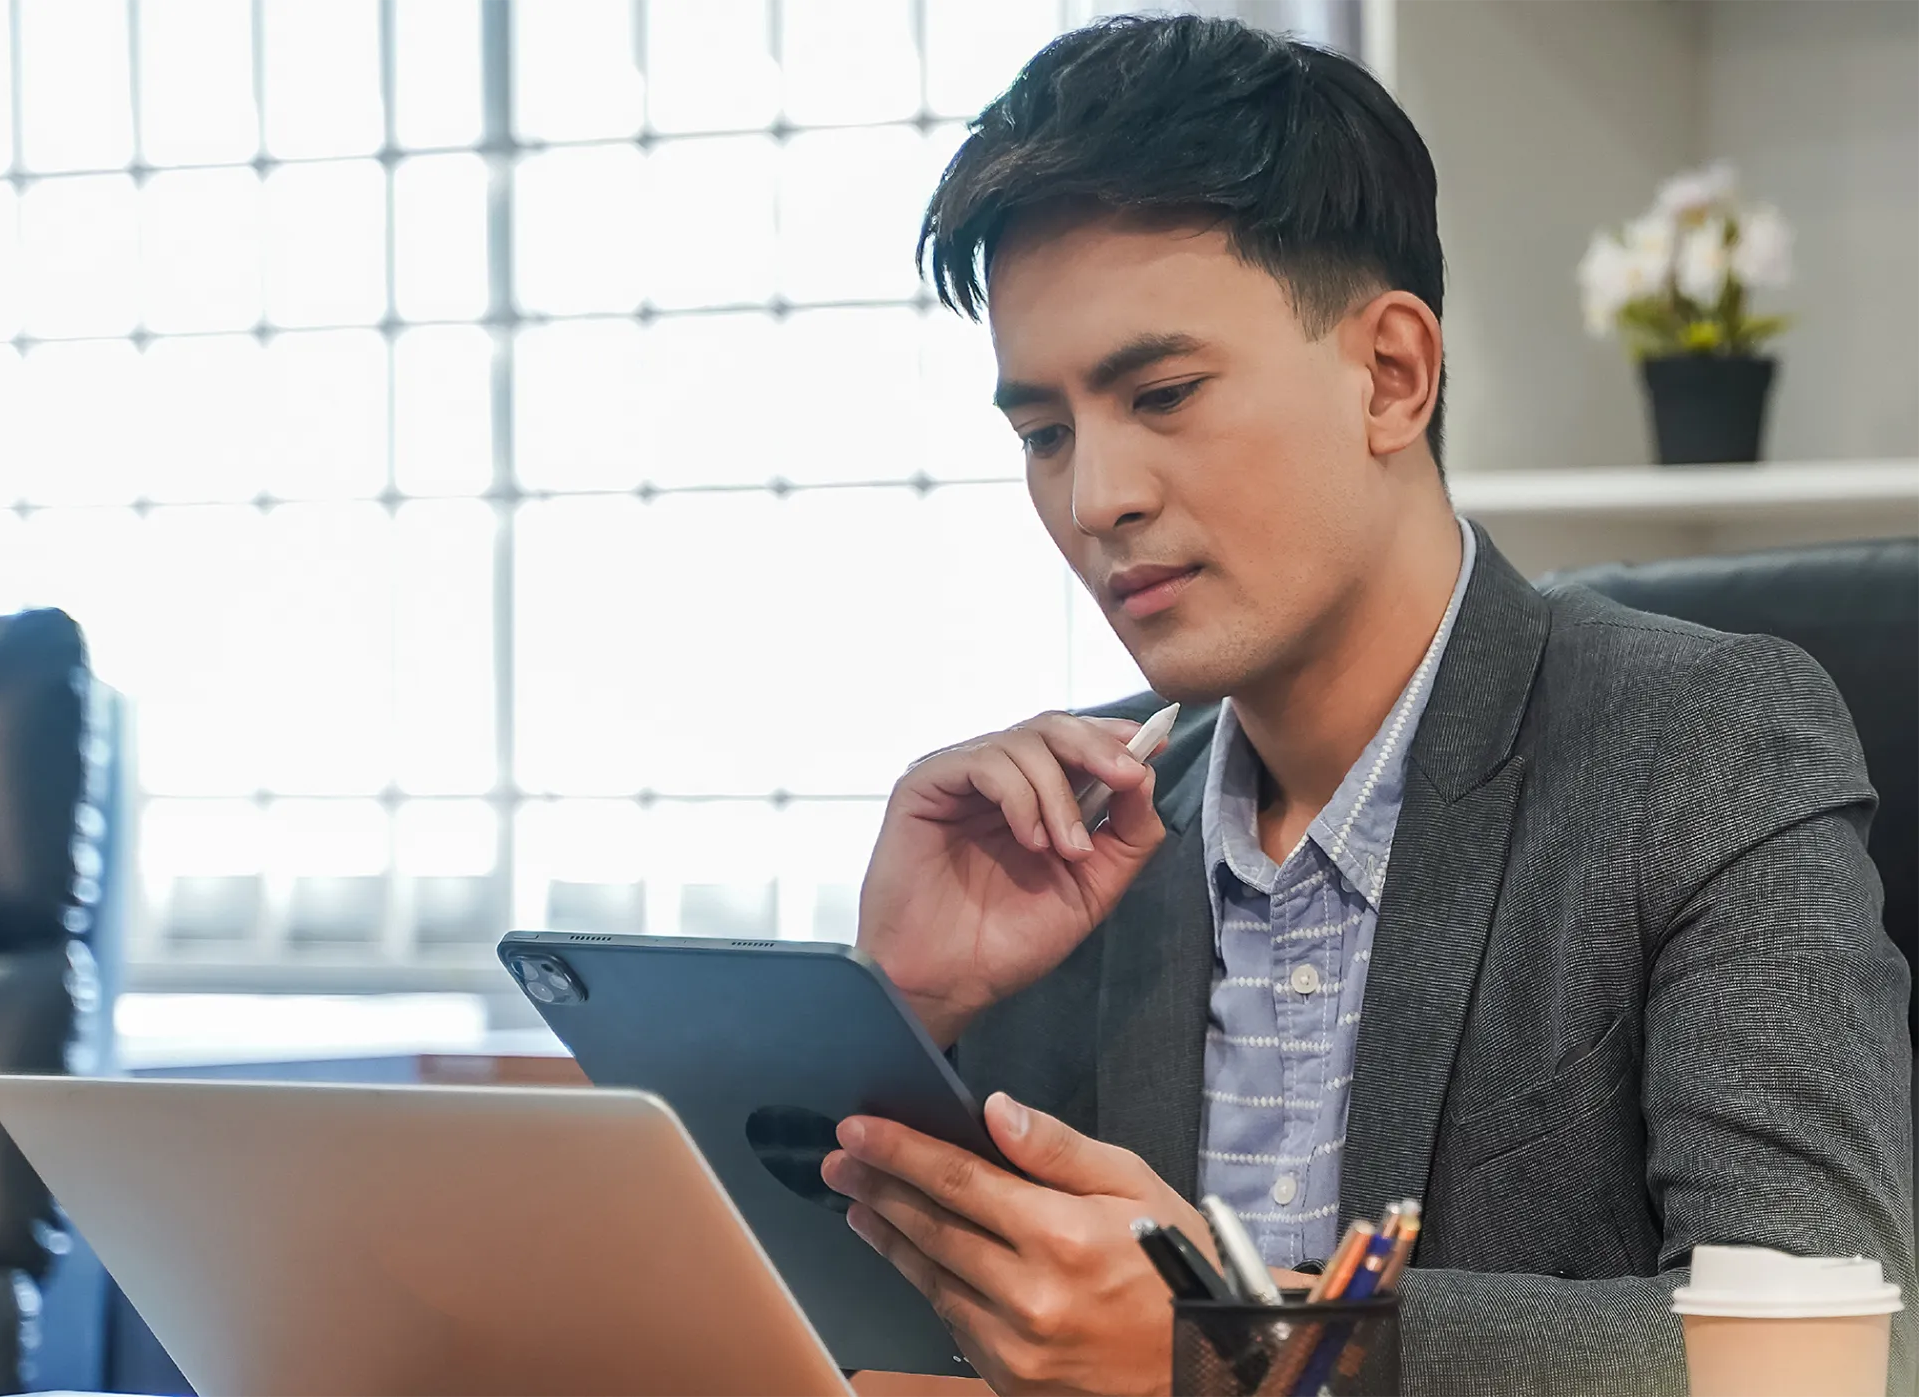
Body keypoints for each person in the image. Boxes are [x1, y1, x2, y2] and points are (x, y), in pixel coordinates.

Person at [816, 16, 1914, 1397]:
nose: (1097, 498)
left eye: (1162, 393)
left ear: (1392, 374)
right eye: (1045, 434)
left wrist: (1234, 1348)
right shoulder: (1064, 835)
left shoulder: (1701, 750)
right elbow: (877, 1350)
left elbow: (1823, 1346)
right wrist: (906, 1015)